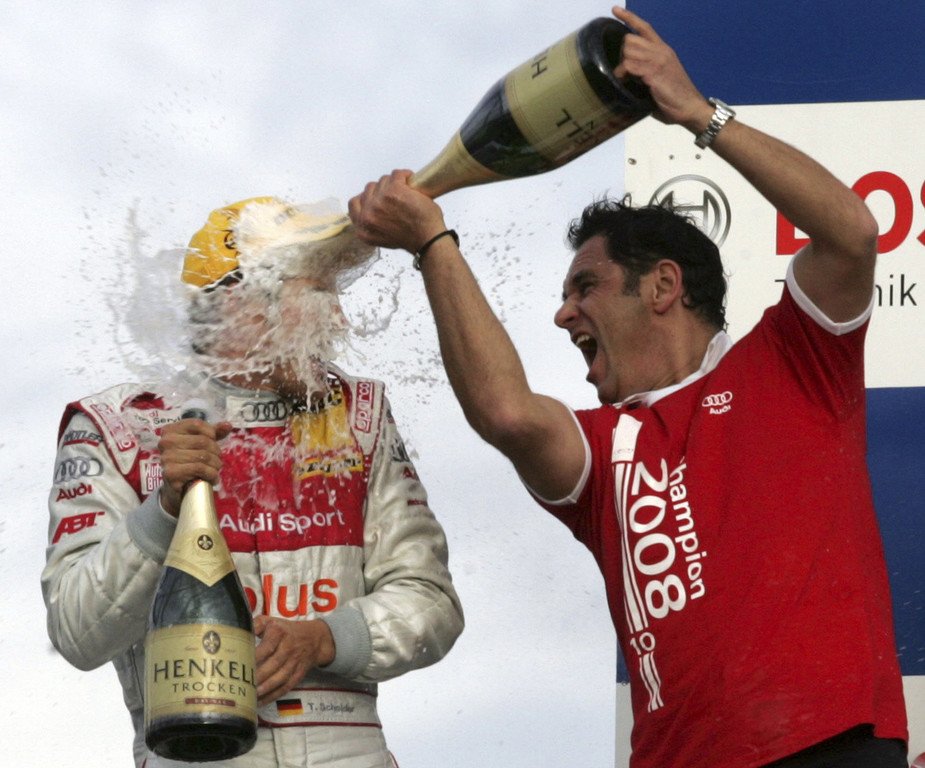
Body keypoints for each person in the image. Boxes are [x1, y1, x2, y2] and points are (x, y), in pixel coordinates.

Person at [348, 6, 908, 768]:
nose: (562, 314)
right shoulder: (601, 450)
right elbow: (507, 413)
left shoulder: (792, 359)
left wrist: (697, 114)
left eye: (586, 287)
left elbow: (851, 233)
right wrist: (431, 243)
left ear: (662, 287)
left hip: (831, 746)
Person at [41, 196, 464, 768]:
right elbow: (76, 632)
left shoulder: (358, 416)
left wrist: (325, 637)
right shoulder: (117, 426)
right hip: (192, 748)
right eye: (319, 293)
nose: (339, 321)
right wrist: (163, 509)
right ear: (243, 305)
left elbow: (432, 602)